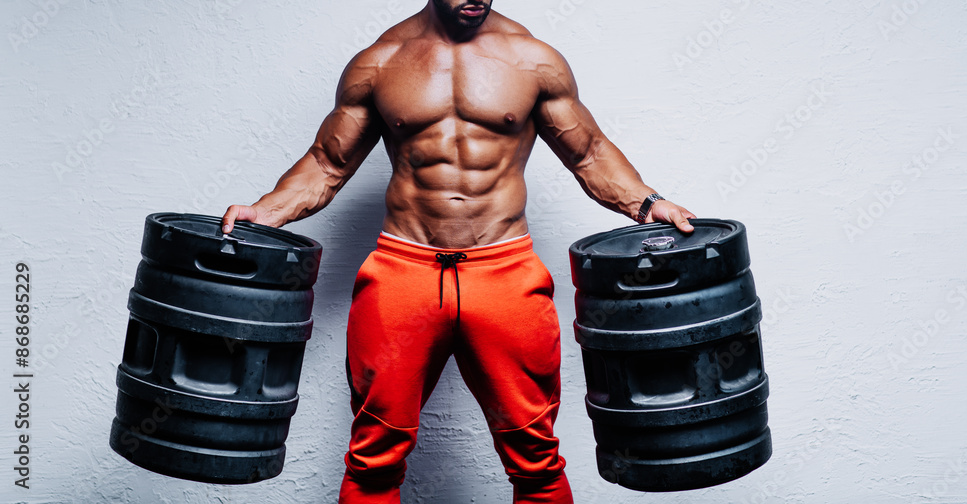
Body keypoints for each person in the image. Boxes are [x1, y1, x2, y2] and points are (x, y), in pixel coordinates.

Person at [222, 1, 695, 502]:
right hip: (403, 271)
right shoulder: (380, 61)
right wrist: (267, 210)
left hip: (504, 272)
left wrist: (648, 203)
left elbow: (589, 153)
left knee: (536, 457)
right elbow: (326, 163)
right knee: (372, 455)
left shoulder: (532, 59)